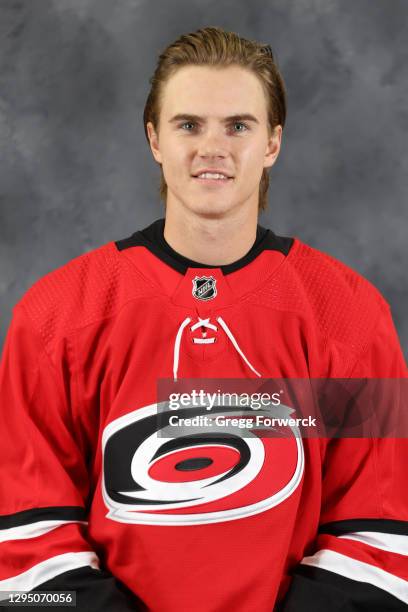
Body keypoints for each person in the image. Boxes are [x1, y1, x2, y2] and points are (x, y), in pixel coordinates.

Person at [0, 26, 407, 612]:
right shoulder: (54, 318)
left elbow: (381, 537)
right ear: (154, 140)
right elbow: (22, 552)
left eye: (238, 126)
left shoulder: (349, 315)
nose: (211, 148)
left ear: (272, 143)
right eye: (188, 125)